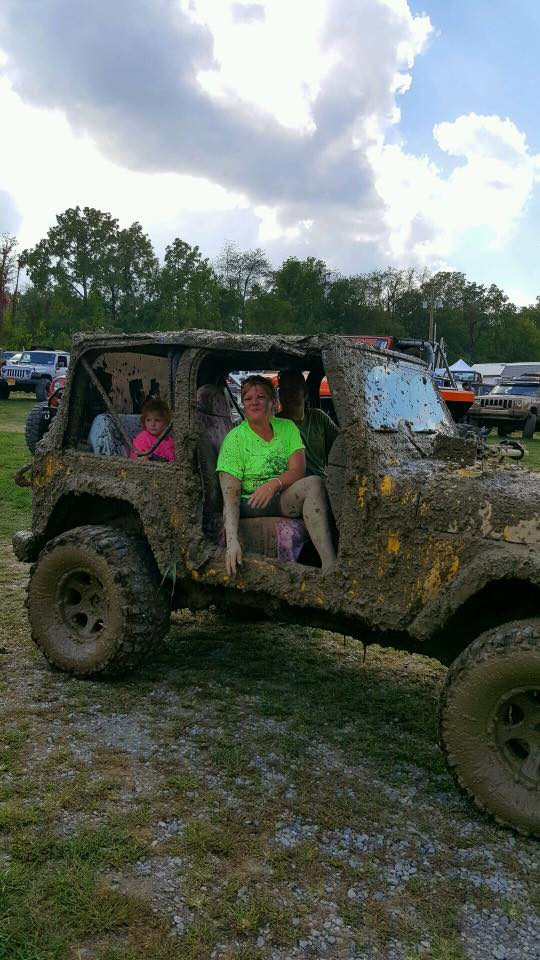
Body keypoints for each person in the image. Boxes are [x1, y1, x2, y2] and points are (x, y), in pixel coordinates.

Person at [217, 374, 336, 575]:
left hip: (279, 495)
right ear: (243, 404)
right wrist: (232, 542)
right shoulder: (234, 440)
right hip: (250, 502)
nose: (254, 402)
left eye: (261, 397)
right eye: (248, 399)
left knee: (315, 483)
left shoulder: (287, 427)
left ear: (273, 401)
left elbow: (297, 470)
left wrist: (274, 484)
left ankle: (330, 567)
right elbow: (230, 498)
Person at [277, 370, 338, 478]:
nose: (288, 394)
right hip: (290, 485)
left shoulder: (319, 417)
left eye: (293, 389)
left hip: (320, 481)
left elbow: (340, 446)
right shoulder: (274, 424)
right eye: (283, 390)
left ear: (304, 393)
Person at [130, 398, 176, 462]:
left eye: (157, 420)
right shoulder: (143, 437)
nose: (152, 424)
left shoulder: (170, 441)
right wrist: (143, 457)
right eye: (148, 420)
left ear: (166, 422)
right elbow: (139, 455)